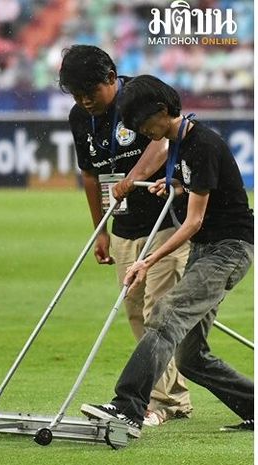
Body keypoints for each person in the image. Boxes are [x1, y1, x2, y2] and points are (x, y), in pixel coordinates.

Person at [81, 74, 254, 436]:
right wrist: (175, 184)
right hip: (210, 249)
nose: (143, 132)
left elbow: (192, 223)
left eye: (144, 124)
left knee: (165, 313)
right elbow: (195, 184)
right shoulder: (182, 143)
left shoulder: (203, 143)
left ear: (162, 110)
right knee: (190, 358)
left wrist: (148, 259)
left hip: (228, 249)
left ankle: (128, 405)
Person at [58, 45, 193, 427]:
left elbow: (164, 140)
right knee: (135, 311)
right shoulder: (79, 117)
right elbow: (90, 174)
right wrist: (99, 228)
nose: (84, 100)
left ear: (111, 78)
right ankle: (175, 396)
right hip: (123, 226)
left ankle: (163, 401)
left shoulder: (141, 97)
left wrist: (133, 179)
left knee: (159, 313)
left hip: (167, 222)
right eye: (76, 94)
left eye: (90, 91)